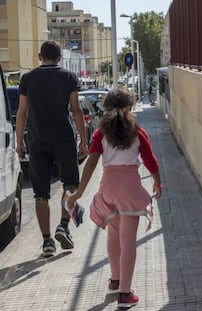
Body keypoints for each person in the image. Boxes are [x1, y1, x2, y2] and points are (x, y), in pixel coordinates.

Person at [66, 88, 162, 308]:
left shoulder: (101, 133)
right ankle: (125, 294)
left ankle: (115, 280)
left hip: (108, 188)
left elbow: (90, 163)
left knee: (113, 235)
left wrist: (79, 192)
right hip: (130, 188)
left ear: (107, 108)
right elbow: (150, 160)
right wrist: (157, 182)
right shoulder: (137, 131)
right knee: (128, 241)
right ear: (130, 107)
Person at [16, 41, 88, 257]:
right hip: (64, 139)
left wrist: (20, 141)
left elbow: (21, 112)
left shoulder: (27, 79)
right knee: (71, 185)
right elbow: (76, 110)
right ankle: (63, 227)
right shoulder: (68, 77)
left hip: (37, 141)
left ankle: (47, 242)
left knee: (40, 194)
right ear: (59, 58)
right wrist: (83, 140)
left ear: (40, 56)